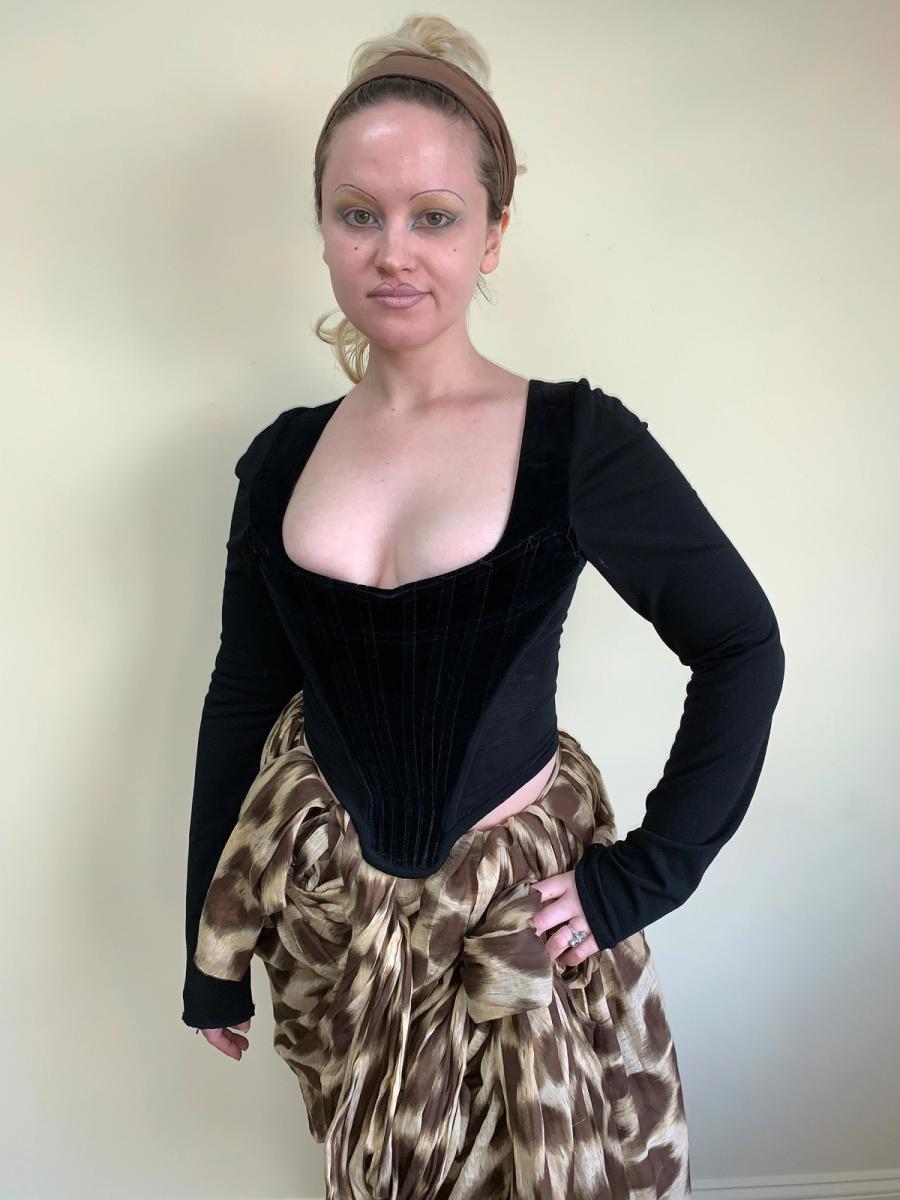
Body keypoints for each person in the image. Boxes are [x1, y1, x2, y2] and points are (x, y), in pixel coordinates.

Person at [180, 15, 785, 1199]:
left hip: (517, 929)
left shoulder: (576, 442)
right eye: (359, 214)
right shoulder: (281, 460)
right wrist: (210, 948)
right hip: (336, 929)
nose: (392, 253)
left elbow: (740, 646)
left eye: (436, 216)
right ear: (322, 226)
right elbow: (243, 696)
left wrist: (638, 879)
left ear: (494, 233)